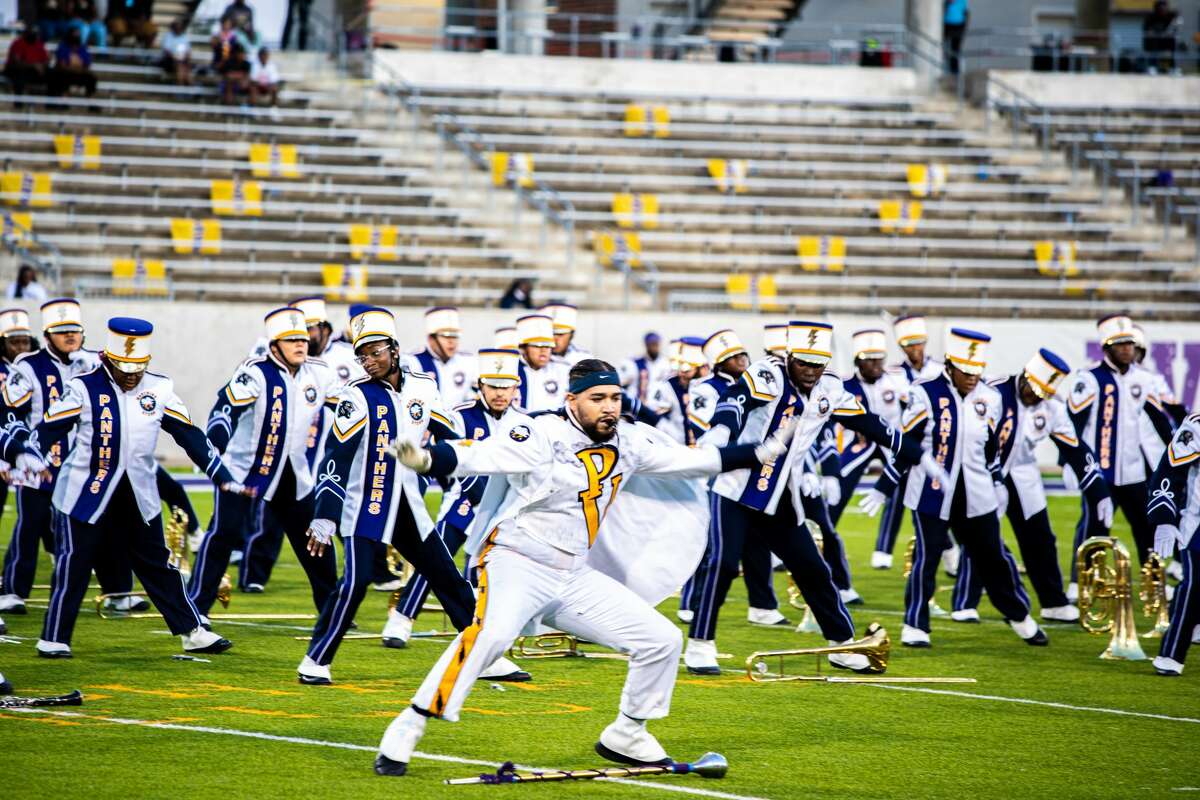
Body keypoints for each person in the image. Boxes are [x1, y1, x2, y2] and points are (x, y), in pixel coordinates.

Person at [372, 358, 794, 776]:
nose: (609, 406)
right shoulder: (541, 433)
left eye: (615, 397)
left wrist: (759, 452)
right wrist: (427, 460)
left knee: (661, 639)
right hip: (517, 560)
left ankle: (627, 732)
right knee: (492, 635)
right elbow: (483, 454)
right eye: (597, 398)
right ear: (572, 400)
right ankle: (409, 725)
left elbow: (692, 460)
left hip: (572, 573)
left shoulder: (628, 442)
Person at [682, 321, 933, 676]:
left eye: (818, 364)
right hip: (737, 489)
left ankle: (841, 644)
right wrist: (722, 429)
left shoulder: (830, 386)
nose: (811, 372)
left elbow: (868, 422)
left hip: (783, 495)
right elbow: (736, 400)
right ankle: (700, 644)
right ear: (788, 358)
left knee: (813, 569)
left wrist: (913, 451)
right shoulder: (767, 373)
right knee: (722, 565)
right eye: (803, 363)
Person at [299, 308, 528, 685]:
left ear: (394, 348)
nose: (369, 361)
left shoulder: (422, 385)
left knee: (448, 578)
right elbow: (335, 458)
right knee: (354, 584)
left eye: (376, 352)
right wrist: (325, 514)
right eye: (362, 355)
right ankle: (315, 660)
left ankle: (484, 656)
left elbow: (449, 437)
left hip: (408, 503)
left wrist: (469, 477)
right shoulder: (356, 397)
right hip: (366, 505)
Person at [2, 318, 243, 658]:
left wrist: (221, 474)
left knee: (158, 564)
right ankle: (54, 637)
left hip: (138, 492)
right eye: (123, 367)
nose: (131, 374)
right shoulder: (81, 388)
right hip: (85, 490)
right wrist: (29, 454)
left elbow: (190, 436)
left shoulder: (159, 388)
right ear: (106, 359)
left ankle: (193, 630)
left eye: (138, 367)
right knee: (75, 562)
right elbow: (49, 428)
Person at [862, 328, 1047, 649]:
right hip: (931, 490)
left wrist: (998, 482)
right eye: (966, 370)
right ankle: (915, 624)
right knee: (927, 556)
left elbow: (991, 449)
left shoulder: (990, 398)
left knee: (993, 557)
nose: (973, 377)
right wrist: (885, 484)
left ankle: (1019, 615)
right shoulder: (924, 393)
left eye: (977, 371)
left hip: (977, 492)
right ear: (950, 365)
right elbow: (907, 443)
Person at [187, 307, 340, 619]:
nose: (301, 343)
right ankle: (196, 608)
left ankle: (332, 610)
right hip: (244, 474)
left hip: (294, 475)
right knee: (223, 536)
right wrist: (214, 447)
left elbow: (350, 409)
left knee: (316, 541)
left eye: (303, 337)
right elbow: (224, 411)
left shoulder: (320, 373)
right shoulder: (254, 372)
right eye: (291, 339)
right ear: (274, 346)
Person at [948, 349, 1112, 625]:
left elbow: (1075, 448)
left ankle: (1053, 602)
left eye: (1043, 393)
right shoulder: (993, 392)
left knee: (1040, 539)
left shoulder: (1051, 407)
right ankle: (965, 602)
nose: (1036, 396)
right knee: (982, 535)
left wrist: (1098, 490)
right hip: (985, 470)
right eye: (1034, 389)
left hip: (1023, 472)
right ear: (1025, 375)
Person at [385, 347, 530, 646]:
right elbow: (446, 456)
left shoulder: (524, 423)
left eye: (506, 386)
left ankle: (494, 627)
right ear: (481, 385)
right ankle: (401, 619)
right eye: (493, 386)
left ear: (516, 386)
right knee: (436, 564)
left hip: (505, 508)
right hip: (462, 502)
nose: (500, 393)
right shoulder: (461, 416)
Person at [0, 299, 101, 616]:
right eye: (61, 331)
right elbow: (9, 414)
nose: (70, 336)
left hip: (81, 463)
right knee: (30, 525)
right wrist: (15, 454)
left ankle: (116, 590)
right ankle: (13, 591)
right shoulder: (28, 366)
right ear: (47, 335)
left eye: (74, 330)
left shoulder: (93, 364)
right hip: (37, 463)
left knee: (92, 525)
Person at [683, 328, 786, 627]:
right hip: (718, 469)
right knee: (711, 543)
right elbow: (708, 435)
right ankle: (692, 602)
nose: (741, 360)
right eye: (732, 357)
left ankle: (762, 605)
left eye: (742, 355)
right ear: (719, 364)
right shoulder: (705, 388)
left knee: (757, 538)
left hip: (752, 471)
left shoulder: (760, 381)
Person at [1065, 314, 1173, 597]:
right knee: (1094, 525)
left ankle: (1154, 580)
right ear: (1106, 347)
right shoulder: (1089, 379)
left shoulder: (1144, 379)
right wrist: (1069, 463)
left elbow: (1160, 420)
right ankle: (1080, 582)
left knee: (1145, 525)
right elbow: (1072, 423)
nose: (1127, 349)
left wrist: (1178, 450)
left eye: (1130, 344)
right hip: (1100, 471)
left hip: (1134, 470)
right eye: (1120, 344)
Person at [827, 329, 907, 569]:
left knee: (907, 488)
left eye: (878, 359)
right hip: (859, 444)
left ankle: (885, 551)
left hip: (891, 442)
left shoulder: (898, 379)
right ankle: (819, 537)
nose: (875, 365)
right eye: (869, 360)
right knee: (837, 490)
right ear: (858, 361)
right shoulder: (845, 385)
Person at [1146, 412, 1200, 676]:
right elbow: (1169, 469)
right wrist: (1164, 518)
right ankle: (1171, 654)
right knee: (1194, 585)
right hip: (1197, 520)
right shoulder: (1197, 425)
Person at [0, 309, 35, 529]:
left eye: (25, 342)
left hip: (23, 443)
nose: (21, 348)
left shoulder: (33, 369)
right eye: (15, 342)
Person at [403, 307, 475, 409]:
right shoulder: (412, 360)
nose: (451, 341)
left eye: (455, 336)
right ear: (431, 338)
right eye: (445, 336)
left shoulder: (468, 361)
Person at [639, 337, 705, 445]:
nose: (680, 373)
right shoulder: (668, 386)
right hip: (678, 449)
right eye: (679, 367)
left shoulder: (709, 386)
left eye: (686, 369)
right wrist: (672, 437)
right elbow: (651, 416)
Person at [513, 314, 569, 413]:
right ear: (523, 348)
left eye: (548, 346)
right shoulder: (512, 369)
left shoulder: (563, 370)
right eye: (537, 345)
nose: (543, 350)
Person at [618, 332, 668, 403]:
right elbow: (621, 381)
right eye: (651, 344)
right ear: (646, 345)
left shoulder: (666, 363)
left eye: (656, 344)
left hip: (657, 404)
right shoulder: (635, 363)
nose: (654, 347)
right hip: (637, 404)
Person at [49, 27, 96, 98]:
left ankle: (90, 100)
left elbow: (87, 64)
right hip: (66, 73)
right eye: (74, 35)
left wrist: (80, 70)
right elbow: (62, 65)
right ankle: (63, 98)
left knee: (91, 78)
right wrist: (74, 69)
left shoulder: (82, 48)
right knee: (61, 76)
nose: (76, 37)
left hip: (79, 73)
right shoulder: (63, 47)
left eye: (78, 35)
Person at [4, 30, 50, 99]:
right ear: (25, 35)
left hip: (35, 71)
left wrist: (41, 66)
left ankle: (53, 103)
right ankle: (18, 102)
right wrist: (34, 65)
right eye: (31, 34)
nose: (34, 36)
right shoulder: (18, 43)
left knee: (53, 75)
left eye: (35, 34)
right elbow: (17, 62)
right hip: (16, 70)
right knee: (19, 76)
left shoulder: (39, 44)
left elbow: (46, 60)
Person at [1143, 1, 1179, 73]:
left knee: (1168, 55)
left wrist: (1169, 32)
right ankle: (1152, 67)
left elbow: (1176, 26)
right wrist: (1154, 32)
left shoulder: (1171, 17)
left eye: (1164, 7)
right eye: (1160, 8)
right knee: (1153, 53)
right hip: (1154, 42)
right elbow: (1146, 29)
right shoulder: (1151, 17)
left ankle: (1170, 68)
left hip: (1167, 42)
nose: (1162, 9)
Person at [160, 19, 192, 86]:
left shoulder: (184, 37)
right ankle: (183, 87)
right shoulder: (168, 36)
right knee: (181, 67)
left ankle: (187, 87)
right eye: (177, 27)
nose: (179, 29)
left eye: (180, 27)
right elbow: (167, 51)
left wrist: (185, 57)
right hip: (170, 60)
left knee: (185, 67)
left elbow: (188, 51)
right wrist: (176, 57)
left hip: (182, 60)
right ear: (173, 28)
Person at [943, 0, 969, 75]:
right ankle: (948, 69)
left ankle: (954, 70)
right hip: (948, 24)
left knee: (955, 49)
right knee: (947, 48)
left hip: (958, 25)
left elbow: (965, 12)